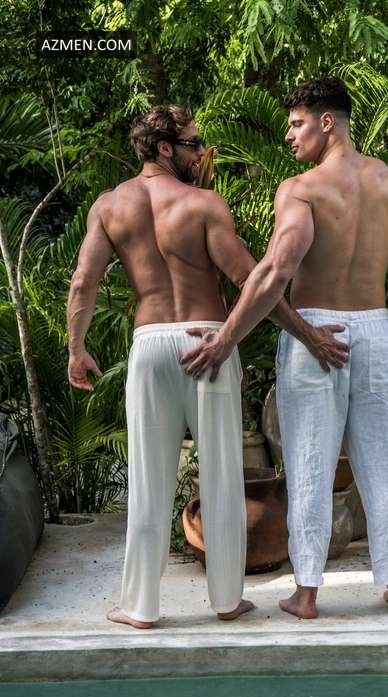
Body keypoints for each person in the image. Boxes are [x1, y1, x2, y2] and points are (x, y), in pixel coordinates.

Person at [66, 104, 348, 628]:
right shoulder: (203, 205)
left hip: (150, 345)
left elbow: (83, 281)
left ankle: (140, 607)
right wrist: (307, 334)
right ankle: (226, 601)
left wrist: (75, 349)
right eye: (193, 144)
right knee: (221, 477)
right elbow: (251, 280)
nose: (201, 153)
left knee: (148, 481)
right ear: (165, 148)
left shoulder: (109, 206)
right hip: (208, 340)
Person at [180, 78, 388, 619]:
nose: (289, 135)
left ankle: (306, 594)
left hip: (315, 332)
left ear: (327, 122)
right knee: (384, 464)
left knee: (309, 465)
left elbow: (276, 269)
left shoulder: (302, 189)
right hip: (374, 331)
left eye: (297, 124)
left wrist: (226, 339)